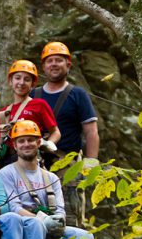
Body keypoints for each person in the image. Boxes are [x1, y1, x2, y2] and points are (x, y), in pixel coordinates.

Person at [0, 121, 96, 239]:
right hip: (25, 223)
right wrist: (43, 219)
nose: (26, 144)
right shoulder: (7, 173)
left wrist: (57, 221)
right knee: (36, 225)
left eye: (30, 140)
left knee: (85, 236)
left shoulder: (51, 178)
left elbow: (60, 210)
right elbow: (14, 207)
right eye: (21, 141)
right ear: (15, 146)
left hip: (50, 224)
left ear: (38, 143)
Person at [33, 42, 100, 227]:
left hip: (67, 165)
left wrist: (90, 162)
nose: (54, 64)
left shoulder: (77, 94)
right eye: (49, 61)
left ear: (68, 65)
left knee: (70, 217)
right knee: (36, 215)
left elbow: (91, 131)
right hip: (36, 164)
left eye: (58, 60)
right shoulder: (34, 94)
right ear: (43, 67)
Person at [0, 60, 61, 169]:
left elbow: (55, 132)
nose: (21, 83)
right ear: (10, 81)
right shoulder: (3, 114)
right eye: (17, 78)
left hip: (31, 157)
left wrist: (47, 144)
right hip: (8, 161)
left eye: (27, 79)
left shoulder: (39, 104)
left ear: (33, 84)